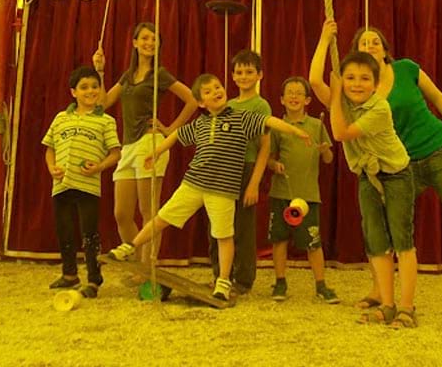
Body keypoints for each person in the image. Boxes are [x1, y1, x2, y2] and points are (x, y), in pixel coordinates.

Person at [310, 19, 442, 322]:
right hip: (397, 165)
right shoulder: (355, 90)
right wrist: (326, 37)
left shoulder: (406, 69)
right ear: (355, 55)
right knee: (380, 228)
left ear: (384, 51)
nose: (369, 46)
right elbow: (319, 85)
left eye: (375, 42)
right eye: (362, 44)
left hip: (436, 151)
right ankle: (384, 295)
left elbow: (437, 97)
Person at [106, 73, 311, 301]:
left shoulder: (241, 117)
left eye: (218, 87)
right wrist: (157, 151)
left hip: (222, 190)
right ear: (201, 102)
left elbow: (269, 122)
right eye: (208, 91)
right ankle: (129, 247)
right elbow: (176, 135)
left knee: (224, 235)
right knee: (161, 218)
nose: (216, 91)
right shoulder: (200, 123)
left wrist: (295, 130)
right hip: (193, 183)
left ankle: (223, 281)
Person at [93, 22, 197, 270]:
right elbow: (104, 103)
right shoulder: (127, 76)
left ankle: (147, 269)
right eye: (146, 38)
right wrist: (100, 72)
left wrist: (171, 129)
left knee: (148, 210)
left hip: (150, 143)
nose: (150, 43)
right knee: (122, 214)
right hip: (128, 146)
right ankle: (138, 262)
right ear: (135, 42)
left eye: (155, 39)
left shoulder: (159, 74)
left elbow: (193, 99)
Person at [329, 52, 417, 327]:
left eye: (364, 78)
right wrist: (323, 39)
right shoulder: (343, 102)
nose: (356, 84)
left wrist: (334, 96)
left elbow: (341, 134)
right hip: (368, 175)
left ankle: (406, 307)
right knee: (376, 240)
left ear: (376, 84)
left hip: (396, 175)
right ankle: (387, 304)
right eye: (350, 78)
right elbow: (313, 80)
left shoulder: (379, 108)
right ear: (341, 81)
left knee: (402, 240)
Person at [43, 66, 121, 297]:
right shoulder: (60, 118)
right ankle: (69, 274)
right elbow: (49, 149)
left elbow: (116, 153)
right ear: (73, 92)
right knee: (64, 230)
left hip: (88, 186)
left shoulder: (106, 121)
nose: (90, 91)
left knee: (90, 234)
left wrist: (99, 167)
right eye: (84, 87)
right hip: (62, 184)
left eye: (94, 86)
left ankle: (94, 280)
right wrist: (51, 168)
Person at [267, 76, 338, 304]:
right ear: (282, 99)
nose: (294, 96)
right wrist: (274, 165)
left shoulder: (317, 126)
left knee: (313, 243)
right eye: (290, 93)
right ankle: (280, 282)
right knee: (279, 240)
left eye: (299, 93)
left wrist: (325, 150)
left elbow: (328, 159)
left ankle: (321, 285)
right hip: (281, 194)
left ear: (308, 99)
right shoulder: (277, 127)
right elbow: (267, 158)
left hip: (308, 196)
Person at [208, 49, 271, 294]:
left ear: (259, 75)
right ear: (232, 76)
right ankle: (220, 275)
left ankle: (243, 280)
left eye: (249, 72)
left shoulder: (261, 105)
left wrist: (254, 183)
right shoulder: (228, 105)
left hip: (246, 169)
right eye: (239, 72)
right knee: (218, 224)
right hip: (223, 171)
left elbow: (265, 148)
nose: (243, 76)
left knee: (243, 227)